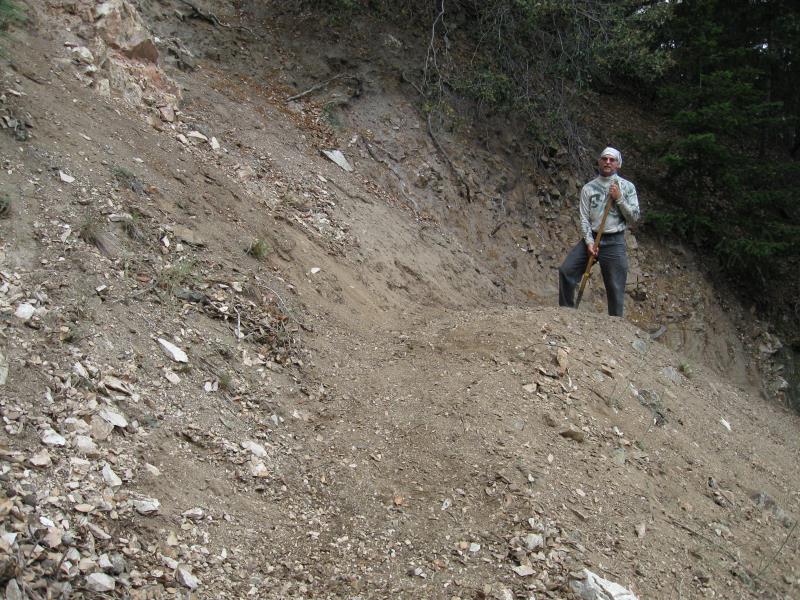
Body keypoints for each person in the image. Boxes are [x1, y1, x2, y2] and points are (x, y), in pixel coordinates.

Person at [558, 147, 640, 317]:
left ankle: (615, 327)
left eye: (612, 160)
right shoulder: (589, 188)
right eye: (604, 159)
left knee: (615, 287)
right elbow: (584, 218)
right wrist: (589, 242)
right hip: (593, 237)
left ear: (618, 164)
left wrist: (619, 198)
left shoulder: (627, 187)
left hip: (614, 241)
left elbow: (634, 218)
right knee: (566, 270)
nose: (607, 162)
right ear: (599, 162)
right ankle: (566, 315)